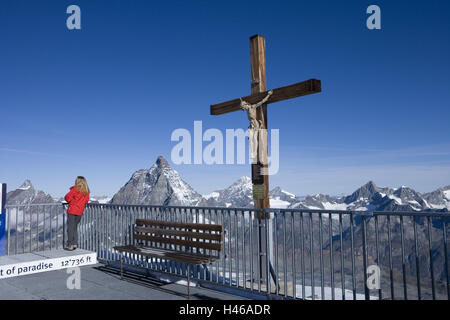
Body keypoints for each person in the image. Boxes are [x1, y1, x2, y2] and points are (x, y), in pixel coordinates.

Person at [64, 176, 90, 251]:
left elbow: (67, 197)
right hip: (80, 212)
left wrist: (72, 200)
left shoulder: (75, 189)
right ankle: (75, 243)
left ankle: (70, 245)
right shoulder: (86, 191)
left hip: (72, 211)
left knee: (70, 229)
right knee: (75, 227)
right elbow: (86, 201)